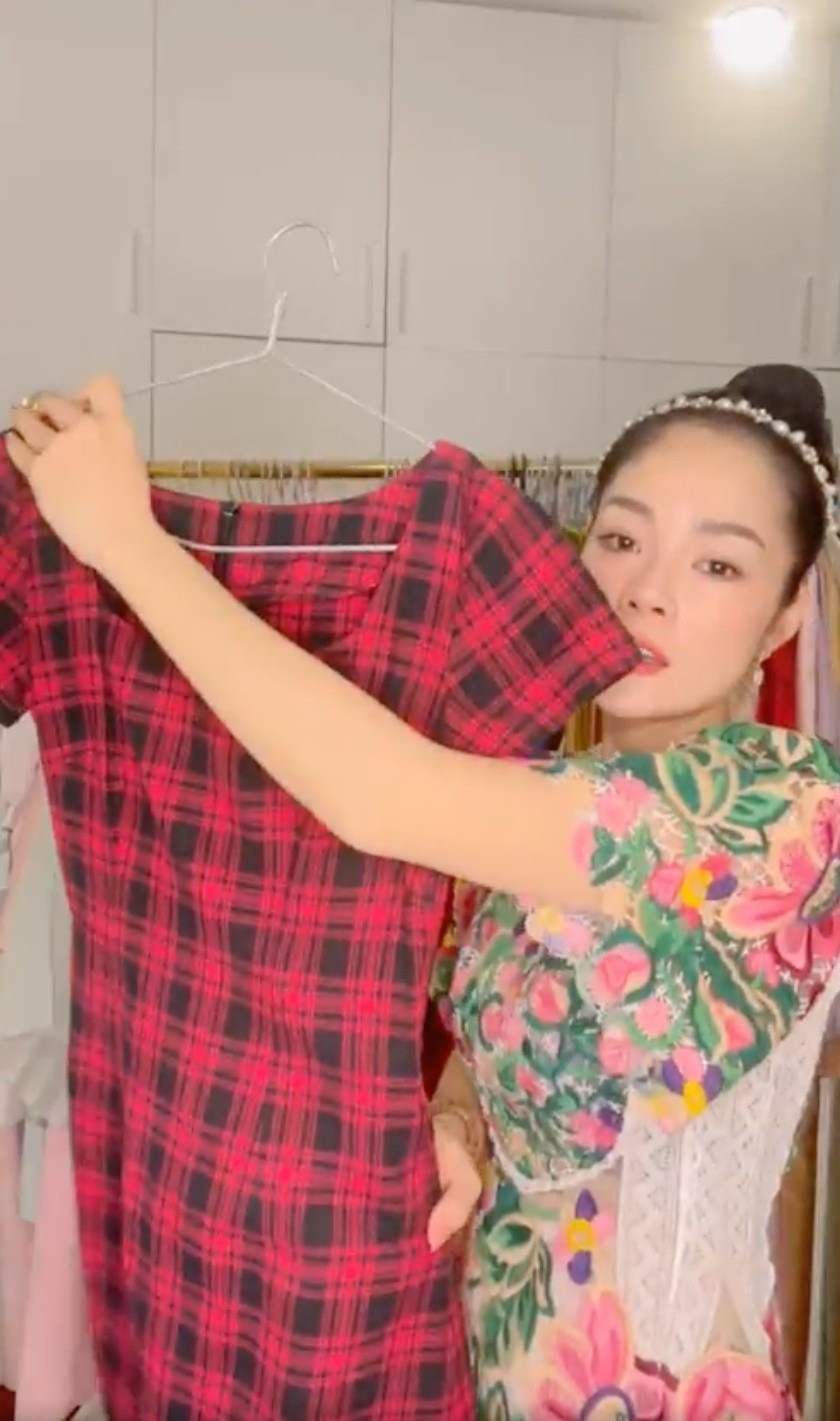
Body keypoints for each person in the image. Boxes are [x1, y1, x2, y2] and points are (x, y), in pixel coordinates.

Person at [8, 363, 840, 1420]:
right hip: (464, 1374)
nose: (648, 590)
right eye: (622, 538)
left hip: (657, 1395)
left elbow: (378, 794)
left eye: (718, 562)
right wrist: (461, 1125)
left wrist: (125, 544)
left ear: (785, 614)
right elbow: (500, 1055)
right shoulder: (532, 789)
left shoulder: (782, 808)